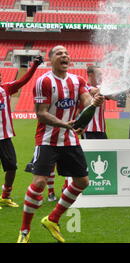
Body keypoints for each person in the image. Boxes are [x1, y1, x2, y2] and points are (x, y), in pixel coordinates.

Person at [17, 45, 104, 243]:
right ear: (51, 60)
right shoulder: (44, 81)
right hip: (47, 139)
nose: (64, 55)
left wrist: (94, 103)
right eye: (59, 53)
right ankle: (24, 231)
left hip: (70, 139)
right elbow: (41, 113)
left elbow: (86, 101)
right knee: (39, 182)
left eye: (66, 53)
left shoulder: (77, 80)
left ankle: (53, 219)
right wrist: (64, 124)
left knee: (82, 182)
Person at [0, 55, 43, 210]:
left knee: (11, 167)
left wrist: (34, 66)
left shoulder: (5, 89)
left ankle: (5, 196)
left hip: (4, 137)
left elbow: (23, 80)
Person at [82, 65, 108, 139]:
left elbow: (114, 97)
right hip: (88, 129)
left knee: (105, 150)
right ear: (91, 75)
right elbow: (93, 91)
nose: (101, 76)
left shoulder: (101, 88)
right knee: (90, 151)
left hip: (101, 129)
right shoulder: (83, 87)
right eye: (99, 74)